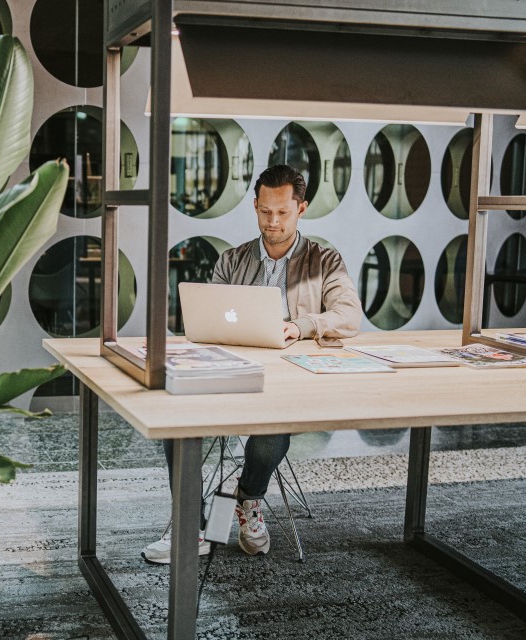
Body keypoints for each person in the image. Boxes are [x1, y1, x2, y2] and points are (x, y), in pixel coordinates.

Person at [142, 164, 363, 563]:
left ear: (302, 208)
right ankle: (192, 524)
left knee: (271, 429)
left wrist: (300, 326)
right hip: (231, 372)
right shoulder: (232, 260)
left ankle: (249, 498)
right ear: (255, 206)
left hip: (288, 383)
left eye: (282, 212)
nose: (273, 221)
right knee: (177, 425)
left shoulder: (324, 260)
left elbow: (349, 316)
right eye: (264, 211)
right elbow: (208, 320)